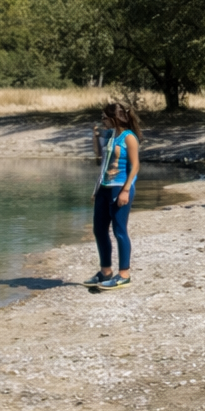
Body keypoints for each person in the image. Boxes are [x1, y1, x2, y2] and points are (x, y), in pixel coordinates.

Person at [87, 102, 141, 291]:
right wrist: (95, 135)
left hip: (120, 187)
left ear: (114, 118)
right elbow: (99, 156)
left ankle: (124, 274)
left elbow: (135, 166)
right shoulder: (111, 135)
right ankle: (106, 271)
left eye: (104, 117)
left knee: (119, 231)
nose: (102, 120)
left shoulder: (129, 137)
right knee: (99, 230)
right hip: (104, 187)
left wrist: (126, 190)